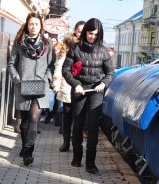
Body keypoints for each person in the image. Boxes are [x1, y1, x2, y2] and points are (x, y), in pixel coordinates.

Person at [62, 18, 114, 174]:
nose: (92, 37)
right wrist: (76, 84)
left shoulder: (103, 51)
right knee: (77, 124)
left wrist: (103, 84)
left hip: (96, 92)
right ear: (85, 32)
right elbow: (66, 70)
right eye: (90, 33)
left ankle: (90, 162)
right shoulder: (75, 49)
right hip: (79, 90)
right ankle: (77, 157)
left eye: (96, 34)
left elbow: (110, 72)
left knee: (92, 126)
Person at [8, 13, 54, 166]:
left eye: (36, 24)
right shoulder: (19, 44)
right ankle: (24, 146)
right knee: (25, 120)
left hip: (41, 87)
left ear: (41, 26)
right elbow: (11, 64)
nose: (33, 26)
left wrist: (47, 79)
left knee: (34, 118)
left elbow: (51, 65)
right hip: (23, 86)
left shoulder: (47, 44)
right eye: (31, 24)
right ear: (27, 26)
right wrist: (17, 80)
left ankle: (29, 152)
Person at [52, 21, 85, 152]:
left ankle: (77, 143)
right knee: (67, 115)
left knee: (80, 116)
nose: (81, 33)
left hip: (83, 86)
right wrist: (56, 83)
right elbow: (59, 66)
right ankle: (66, 142)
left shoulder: (89, 46)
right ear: (75, 31)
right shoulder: (68, 46)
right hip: (67, 85)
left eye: (84, 30)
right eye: (79, 30)